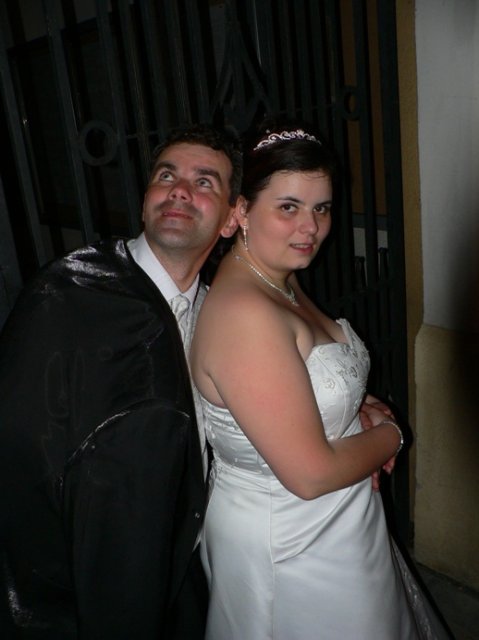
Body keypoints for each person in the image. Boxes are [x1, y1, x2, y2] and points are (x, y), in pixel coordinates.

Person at [190, 123, 451, 639]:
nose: (310, 227)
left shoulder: (278, 279)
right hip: (292, 539)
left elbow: (303, 380)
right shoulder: (245, 312)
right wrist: (392, 434)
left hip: (339, 521)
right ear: (241, 211)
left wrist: (359, 404)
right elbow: (309, 474)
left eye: (322, 208)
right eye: (288, 207)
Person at [0, 123, 242, 639]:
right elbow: (17, 455)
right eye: (166, 176)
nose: (180, 190)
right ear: (145, 202)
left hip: (183, 569)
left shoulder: (219, 311)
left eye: (204, 182)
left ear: (229, 219)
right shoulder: (67, 295)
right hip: (83, 590)